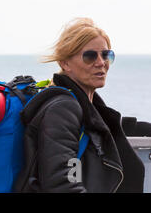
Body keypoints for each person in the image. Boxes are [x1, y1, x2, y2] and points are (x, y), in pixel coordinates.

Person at [15, 17, 145, 193]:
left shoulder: (84, 104)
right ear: (65, 63)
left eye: (106, 55)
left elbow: (107, 128)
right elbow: (62, 183)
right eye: (90, 56)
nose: (101, 63)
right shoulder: (62, 109)